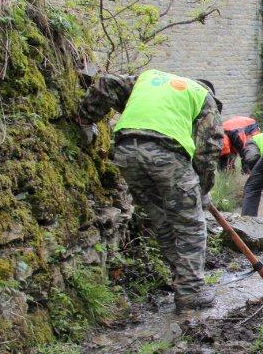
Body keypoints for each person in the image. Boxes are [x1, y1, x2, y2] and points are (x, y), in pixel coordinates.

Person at [77, 69, 222, 310]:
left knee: (163, 222)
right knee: (190, 226)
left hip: (126, 152)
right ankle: (190, 292)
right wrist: (203, 189)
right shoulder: (204, 97)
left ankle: (181, 282)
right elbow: (208, 150)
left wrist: (86, 118)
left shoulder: (149, 79)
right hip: (167, 156)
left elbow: (107, 82)